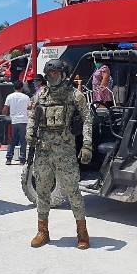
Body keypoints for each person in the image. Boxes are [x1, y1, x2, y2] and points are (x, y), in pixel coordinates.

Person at [27, 59, 93, 250]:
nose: (52, 76)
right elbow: (33, 116)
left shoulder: (75, 95)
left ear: (63, 74)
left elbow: (88, 120)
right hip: (43, 151)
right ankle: (43, 231)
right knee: (42, 191)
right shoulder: (41, 95)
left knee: (72, 192)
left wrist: (87, 144)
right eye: (49, 74)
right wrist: (29, 134)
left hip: (65, 152)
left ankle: (82, 232)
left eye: (56, 73)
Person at [3, 81, 31, 165]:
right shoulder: (26, 97)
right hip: (24, 121)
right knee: (23, 141)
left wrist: (3, 117)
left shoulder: (9, 96)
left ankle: (9, 158)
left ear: (14, 87)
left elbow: (5, 109)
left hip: (13, 121)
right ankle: (22, 159)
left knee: (12, 140)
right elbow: (29, 108)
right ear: (22, 87)